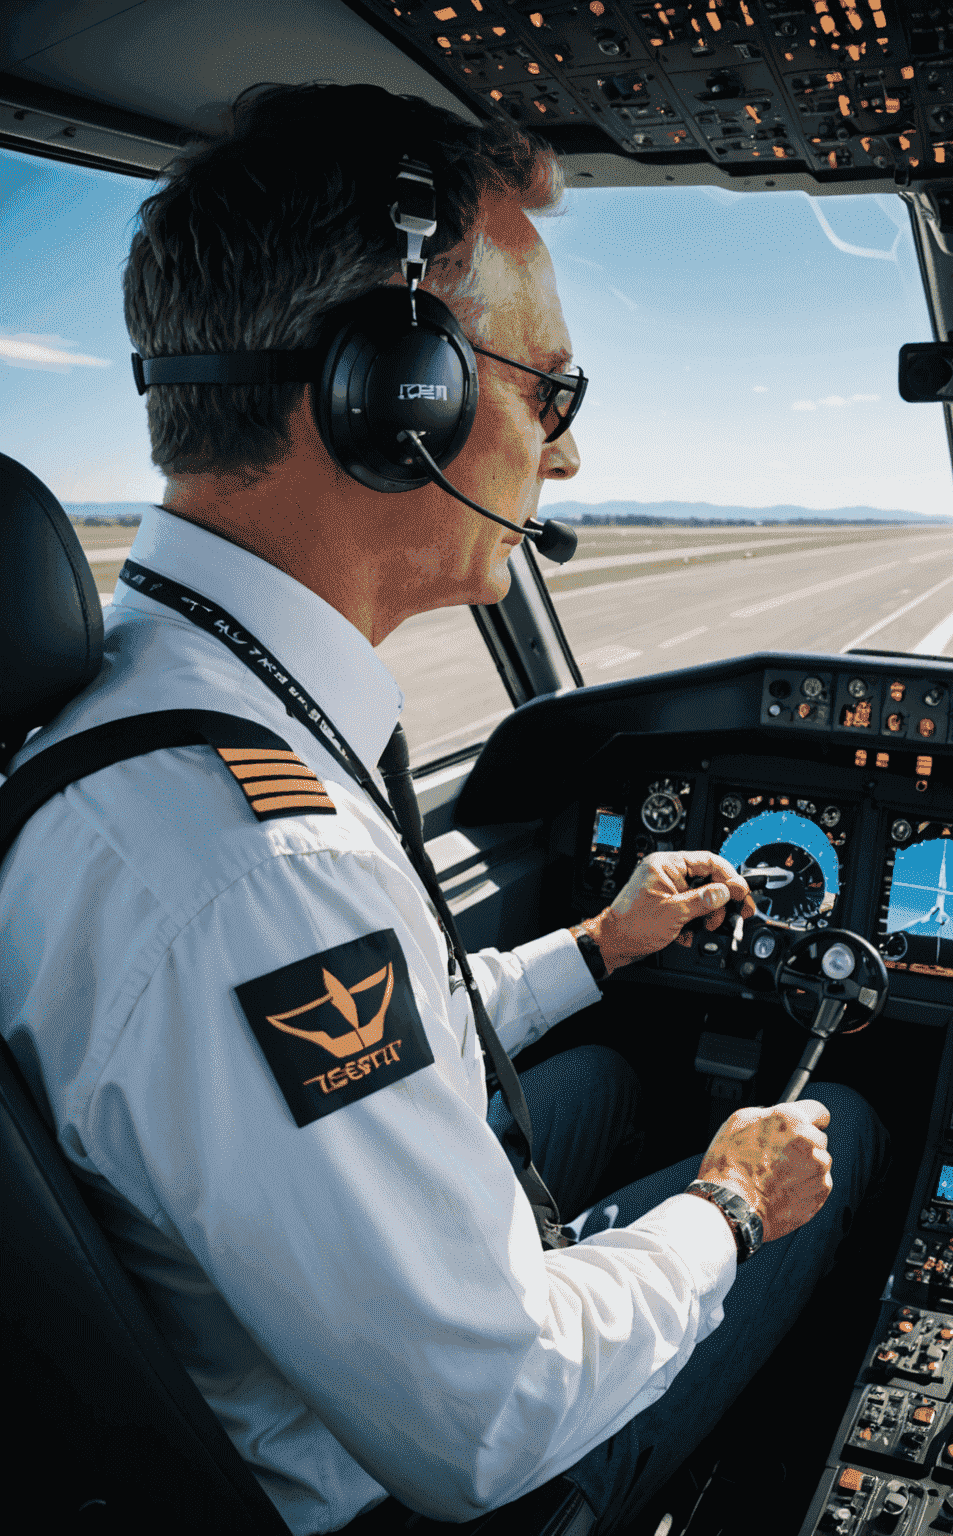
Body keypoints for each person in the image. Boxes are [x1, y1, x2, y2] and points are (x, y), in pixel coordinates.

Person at [0, 82, 886, 1535]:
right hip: (422, 1497)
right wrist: (726, 1208)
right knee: (830, 1118)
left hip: (273, 1355)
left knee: (617, 1075)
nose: (573, 452)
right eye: (552, 390)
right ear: (390, 395)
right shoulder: (256, 869)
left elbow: (377, 1024)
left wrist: (597, 949)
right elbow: (489, 1420)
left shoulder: (169, 715)